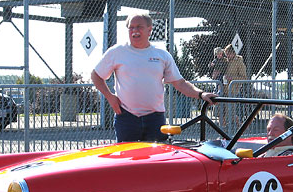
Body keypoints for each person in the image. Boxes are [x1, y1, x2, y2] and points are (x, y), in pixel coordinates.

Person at [91, 14, 216, 142]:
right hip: (126, 117)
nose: (135, 31)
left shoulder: (162, 55)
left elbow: (180, 83)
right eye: (131, 27)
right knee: (128, 160)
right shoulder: (116, 52)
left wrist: (202, 94)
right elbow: (96, 75)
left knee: (157, 160)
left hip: (155, 119)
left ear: (149, 30)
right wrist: (110, 97)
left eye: (139, 27)